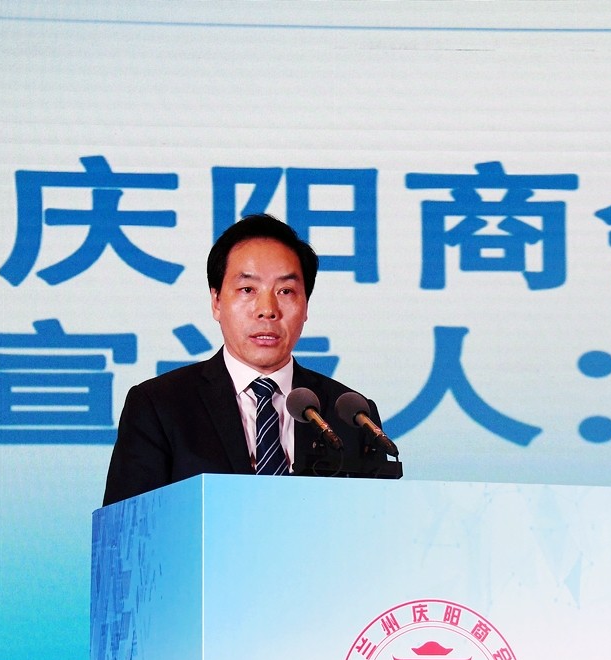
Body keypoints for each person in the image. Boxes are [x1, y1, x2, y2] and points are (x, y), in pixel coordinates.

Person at [102, 214, 393, 506]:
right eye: (247, 290)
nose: (267, 310)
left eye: (286, 291)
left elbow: (377, 523)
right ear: (216, 301)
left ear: (306, 306)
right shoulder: (159, 406)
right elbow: (126, 529)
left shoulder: (352, 417)